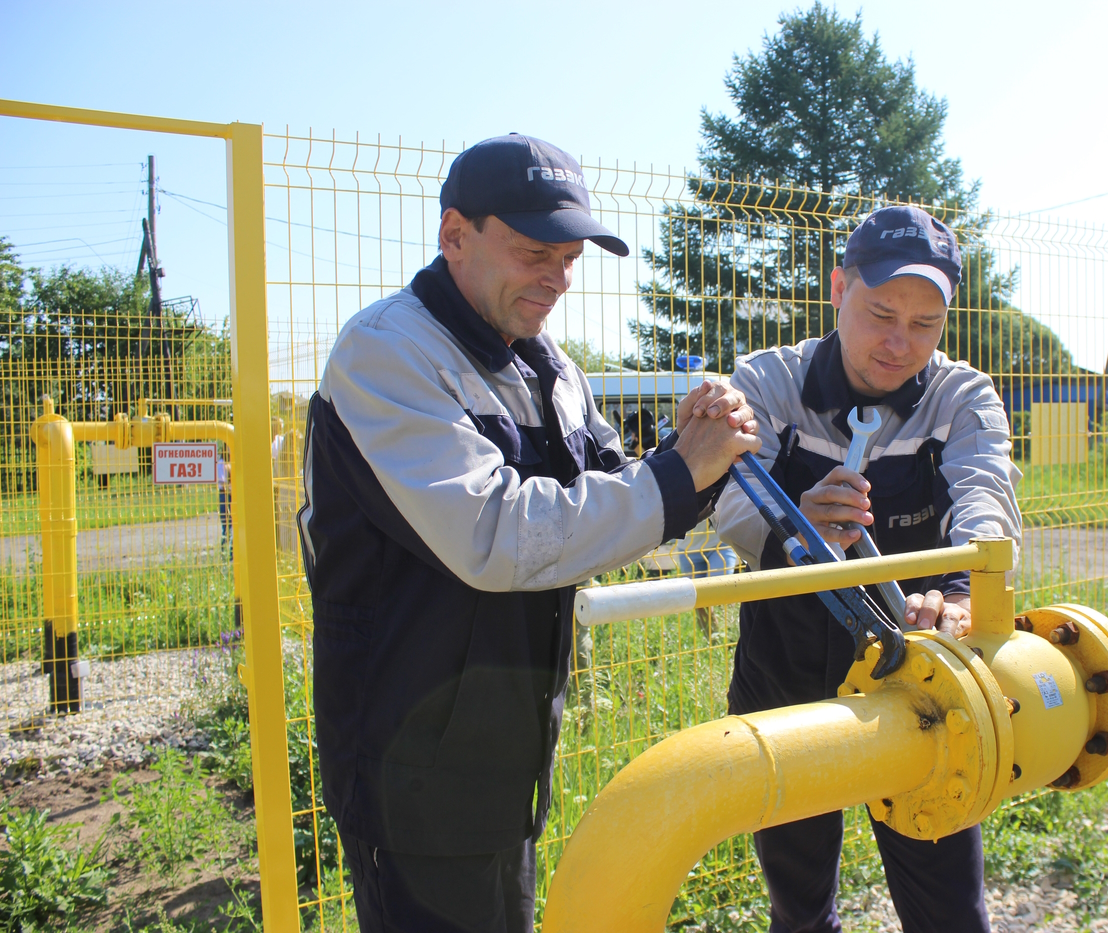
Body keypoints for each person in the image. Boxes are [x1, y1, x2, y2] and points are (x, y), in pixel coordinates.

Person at [296, 133, 760, 933]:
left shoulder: (546, 364)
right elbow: (496, 533)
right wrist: (679, 474)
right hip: (408, 768)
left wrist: (693, 457)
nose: (558, 278)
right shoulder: (387, 353)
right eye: (535, 251)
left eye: (571, 257)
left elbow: (616, 495)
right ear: (454, 237)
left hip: (503, 755)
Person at [713, 204, 1023, 933]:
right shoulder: (769, 381)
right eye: (881, 311)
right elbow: (727, 497)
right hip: (784, 677)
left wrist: (960, 591)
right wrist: (796, 526)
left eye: (924, 324)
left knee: (950, 909)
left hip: (920, 681)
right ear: (836, 288)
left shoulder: (961, 395)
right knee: (797, 906)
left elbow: (987, 494)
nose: (898, 343)